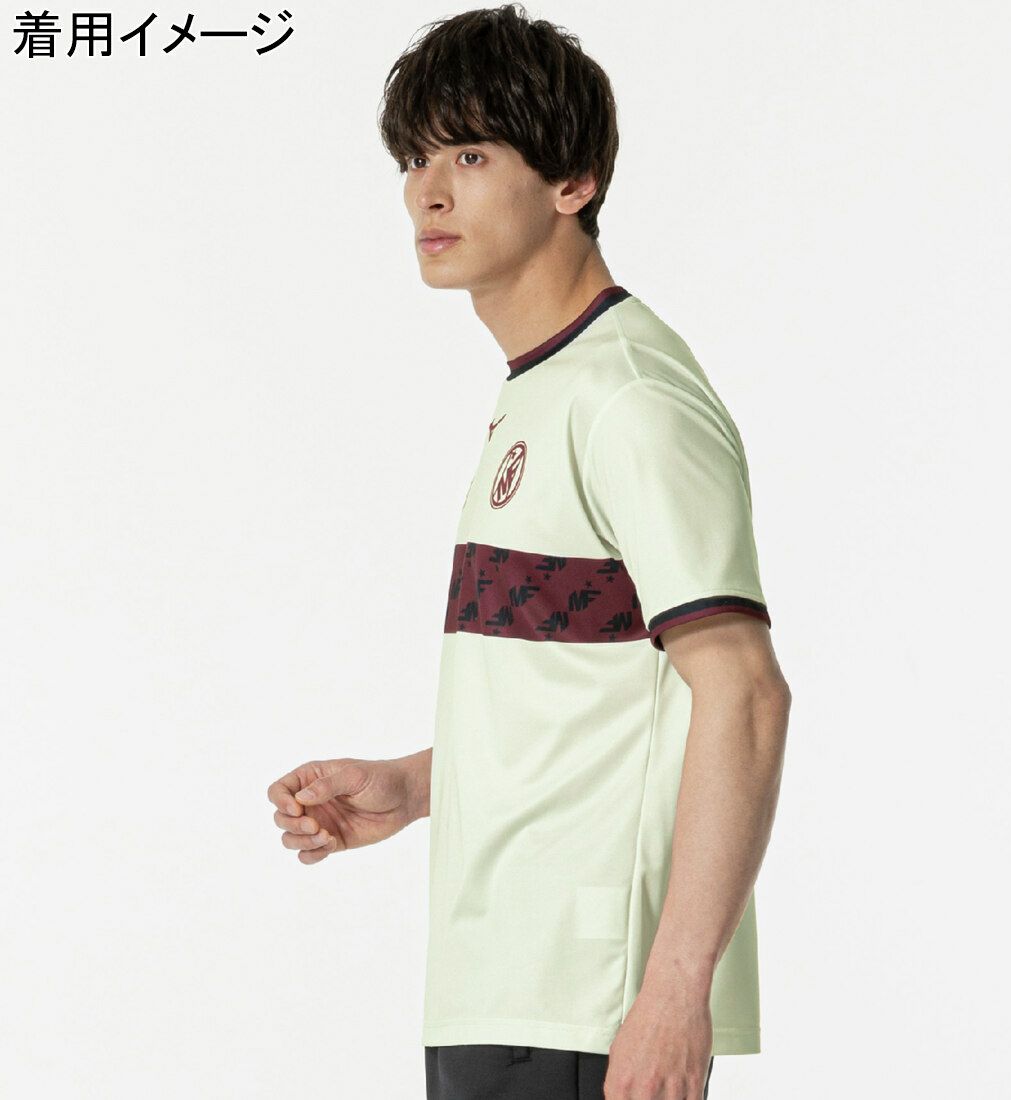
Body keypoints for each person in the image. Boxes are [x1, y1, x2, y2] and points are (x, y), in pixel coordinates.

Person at [267, 5, 791, 1098]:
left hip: (589, 998)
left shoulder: (629, 399)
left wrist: (673, 989)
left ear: (573, 182)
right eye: (414, 160)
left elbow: (742, 691)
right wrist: (417, 784)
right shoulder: (544, 391)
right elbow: (597, 695)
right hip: (500, 984)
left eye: (468, 154)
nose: (427, 191)